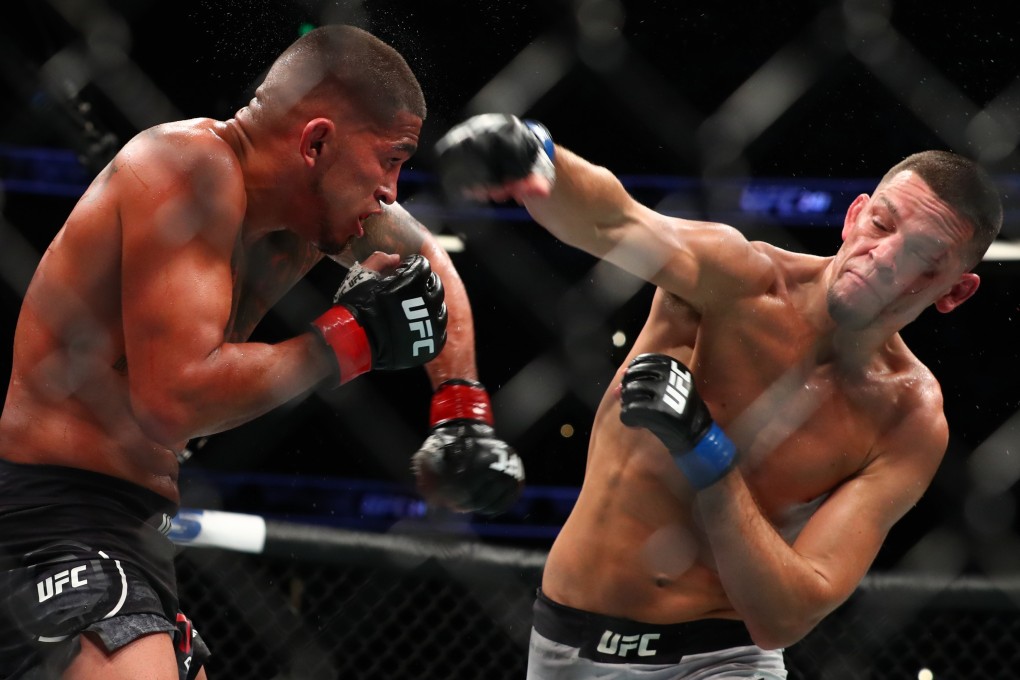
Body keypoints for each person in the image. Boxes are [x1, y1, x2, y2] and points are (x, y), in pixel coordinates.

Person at [0, 26, 523, 680]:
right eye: (391, 158)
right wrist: (346, 342)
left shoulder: (310, 219)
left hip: (126, 524)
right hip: (48, 518)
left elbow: (427, 263)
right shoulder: (186, 166)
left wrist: (461, 412)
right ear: (317, 141)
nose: (393, 188)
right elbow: (173, 401)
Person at [435, 114, 1002, 679]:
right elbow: (612, 219)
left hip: (722, 661)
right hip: (563, 647)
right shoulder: (737, 279)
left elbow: (788, 615)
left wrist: (708, 454)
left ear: (954, 291)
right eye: (881, 224)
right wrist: (538, 155)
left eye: (923, 259)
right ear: (854, 217)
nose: (885, 257)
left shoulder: (908, 416)